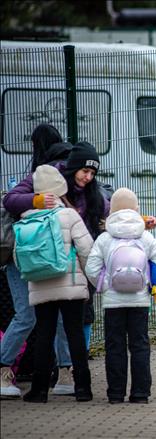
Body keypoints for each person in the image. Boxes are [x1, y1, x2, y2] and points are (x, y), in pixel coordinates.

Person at [0, 125, 74, 399]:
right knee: (27, 315)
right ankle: (3, 368)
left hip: (51, 258)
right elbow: (11, 200)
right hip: (23, 257)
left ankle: (66, 371)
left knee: (57, 317)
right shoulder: (37, 180)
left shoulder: (77, 185)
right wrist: (38, 199)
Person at [85, 188, 156, 404]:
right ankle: (140, 394)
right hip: (139, 301)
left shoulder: (105, 238)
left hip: (112, 303)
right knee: (140, 345)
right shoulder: (145, 236)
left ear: (111, 210)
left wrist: (106, 284)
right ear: (136, 209)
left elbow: (91, 268)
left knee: (114, 347)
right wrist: (147, 281)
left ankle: (115, 394)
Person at [17, 165, 94, 403]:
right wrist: (92, 281)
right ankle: (82, 388)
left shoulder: (26, 218)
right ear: (60, 190)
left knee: (44, 335)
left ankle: (39, 390)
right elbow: (87, 250)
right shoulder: (69, 216)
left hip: (41, 284)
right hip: (70, 282)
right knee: (75, 335)